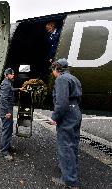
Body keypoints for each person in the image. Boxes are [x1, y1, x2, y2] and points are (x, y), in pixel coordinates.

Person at [50, 58, 82, 189]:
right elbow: (78, 98)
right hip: (75, 111)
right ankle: (71, 173)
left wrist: (55, 117)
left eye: (53, 70)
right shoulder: (74, 78)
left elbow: (61, 102)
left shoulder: (61, 79)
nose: (52, 73)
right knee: (73, 145)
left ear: (57, 69)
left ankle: (69, 181)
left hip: (67, 114)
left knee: (65, 147)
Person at [0, 68, 22, 161]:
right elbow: (3, 99)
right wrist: (7, 112)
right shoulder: (6, 84)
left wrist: (19, 89)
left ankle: (7, 146)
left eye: (13, 74)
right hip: (6, 111)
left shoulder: (8, 83)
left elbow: (11, 90)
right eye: (11, 74)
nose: (13, 75)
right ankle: (4, 152)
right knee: (6, 130)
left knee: (9, 129)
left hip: (8, 110)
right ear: (6, 75)